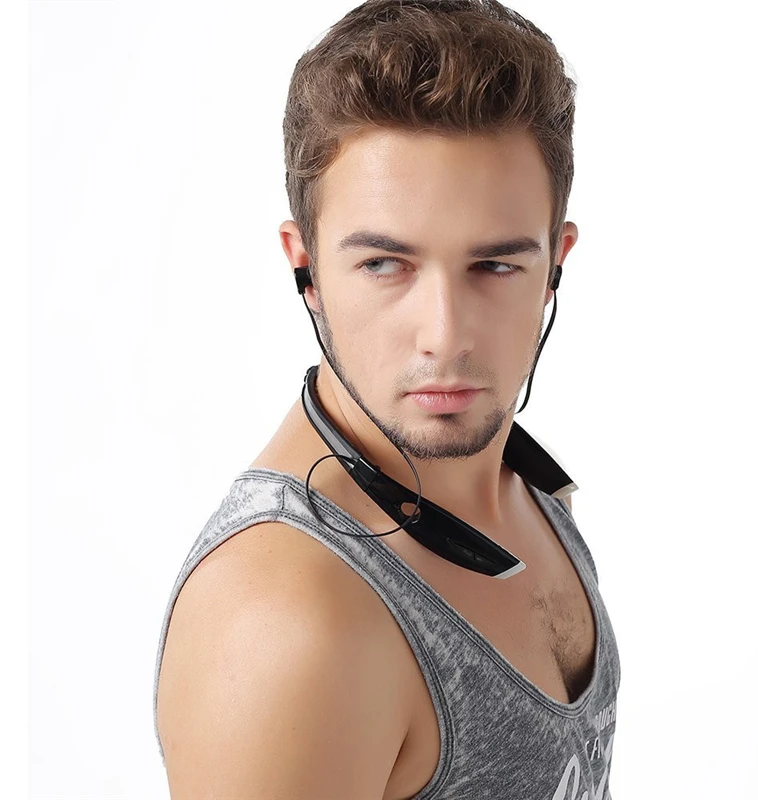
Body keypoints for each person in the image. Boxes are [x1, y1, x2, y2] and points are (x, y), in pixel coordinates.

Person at [153, 1, 620, 797]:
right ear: (305, 268)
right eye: (383, 265)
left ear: (554, 264)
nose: (444, 335)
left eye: (495, 266)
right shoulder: (291, 620)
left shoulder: (531, 488)